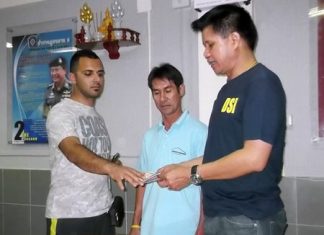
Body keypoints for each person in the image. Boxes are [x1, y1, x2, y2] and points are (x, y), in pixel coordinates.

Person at [158, 4, 287, 235]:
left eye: (210, 44)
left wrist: (192, 173)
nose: (206, 53)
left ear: (234, 39)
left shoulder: (262, 83)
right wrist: (182, 167)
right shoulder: (227, 90)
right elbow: (221, 153)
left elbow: (254, 158)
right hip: (223, 215)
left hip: (249, 218)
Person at [45, 49, 144, 235]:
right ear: (72, 77)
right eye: (88, 74)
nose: (96, 79)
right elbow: (73, 151)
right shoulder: (60, 112)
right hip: (70, 216)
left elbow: (95, 158)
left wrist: (114, 164)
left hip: (102, 213)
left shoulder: (96, 117)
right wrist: (110, 168)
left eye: (100, 74)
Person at [129, 63, 208, 235]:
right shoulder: (149, 136)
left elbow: (207, 186)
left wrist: (201, 227)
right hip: (149, 227)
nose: (162, 98)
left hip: (185, 227)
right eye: (156, 93)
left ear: (181, 90)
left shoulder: (200, 133)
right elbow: (143, 182)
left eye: (168, 90)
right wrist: (136, 224)